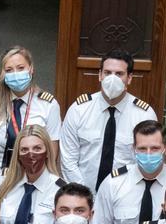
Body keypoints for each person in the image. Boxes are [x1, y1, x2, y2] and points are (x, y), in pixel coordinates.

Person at [59, 50, 157, 190]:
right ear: (100, 75)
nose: (112, 79)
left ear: (129, 78)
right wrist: (82, 195)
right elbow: (68, 160)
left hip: (125, 192)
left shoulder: (144, 115)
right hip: (83, 193)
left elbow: (145, 161)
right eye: (107, 73)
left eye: (119, 74)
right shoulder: (79, 110)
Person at [0, 46, 62, 179]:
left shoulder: (48, 104)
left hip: (32, 178)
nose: (15, 74)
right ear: (3, 74)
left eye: (21, 68)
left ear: (31, 69)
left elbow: (52, 154)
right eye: (9, 70)